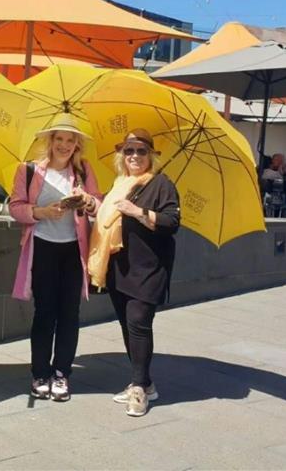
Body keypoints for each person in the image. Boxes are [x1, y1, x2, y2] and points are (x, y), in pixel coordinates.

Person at [8, 113, 102, 402]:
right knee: (45, 313)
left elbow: (99, 204)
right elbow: (15, 206)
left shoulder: (84, 170)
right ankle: (40, 373)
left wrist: (87, 200)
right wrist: (41, 212)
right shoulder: (28, 170)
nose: (64, 145)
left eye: (70, 140)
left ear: (77, 145)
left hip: (74, 251)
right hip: (42, 248)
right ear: (50, 141)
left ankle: (61, 373)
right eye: (59, 139)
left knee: (69, 314)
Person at [87, 128, 180, 417]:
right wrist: (88, 203)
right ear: (122, 156)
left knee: (139, 323)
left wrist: (138, 212)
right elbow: (105, 215)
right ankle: (145, 382)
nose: (135, 156)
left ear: (151, 155)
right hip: (118, 266)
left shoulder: (161, 183)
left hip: (148, 267)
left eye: (141, 151)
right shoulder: (119, 184)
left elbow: (171, 222)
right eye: (129, 151)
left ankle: (138, 388)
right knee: (128, 326)